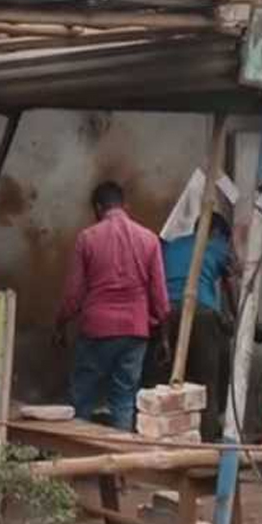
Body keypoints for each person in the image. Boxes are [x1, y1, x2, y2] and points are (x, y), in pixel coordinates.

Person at [56, 181, 171, 432]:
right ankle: (119, 464)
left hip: (97, 329)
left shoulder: (87, 238)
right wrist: (163, 337)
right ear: (125, 206)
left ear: (98, 208)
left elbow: (73, 295)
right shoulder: (149, 239)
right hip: (135, 331)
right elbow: (161, 299)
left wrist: (60, 324)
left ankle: (80, 460)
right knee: (124, 400)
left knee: (82, 397)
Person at [161, 211, 235, 440]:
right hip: (201, 313)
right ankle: (207, 439)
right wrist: (235, 315)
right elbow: (232, 282)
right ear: (215, 232)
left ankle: (169, 434)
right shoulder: (215, 245)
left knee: (170, 379)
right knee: (207, 382)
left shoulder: (171, 246)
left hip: (168, 312)